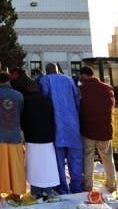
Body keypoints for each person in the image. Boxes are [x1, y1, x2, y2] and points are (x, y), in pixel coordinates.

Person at [39, 63, 82, 194]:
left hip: (56, 124)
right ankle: (76, 188)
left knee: (58, 159)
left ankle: (62, 188)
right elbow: (77, 100)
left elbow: (44, 100)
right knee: (75, 159)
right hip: (73, 123)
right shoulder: (69, 79)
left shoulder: (45, 80)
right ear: (58, 70)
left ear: (46, 71)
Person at [0, 71, 25, 200]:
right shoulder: (19, 95)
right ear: (9, 81)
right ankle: (17, 192)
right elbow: (21, 112)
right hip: (15, 134)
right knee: (16, 165)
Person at [20, 76, 60, 198]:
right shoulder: (47, 100)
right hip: (47, 138)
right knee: (47, 165)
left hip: (32, 138)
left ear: (28, 89)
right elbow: (54, 118)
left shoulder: (25, 101)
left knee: (34, 166)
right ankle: (47, 190)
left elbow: (22, 120)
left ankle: (36, 191)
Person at [79, 66, 117, 193]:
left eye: (81, 76)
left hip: (88, 130)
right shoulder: (108, 88)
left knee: (88, 158)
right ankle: (112, 185)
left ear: (84, 75)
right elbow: (112, 108)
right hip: (105, 129)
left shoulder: (82, 89)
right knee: (107, 158)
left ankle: (87, 185)